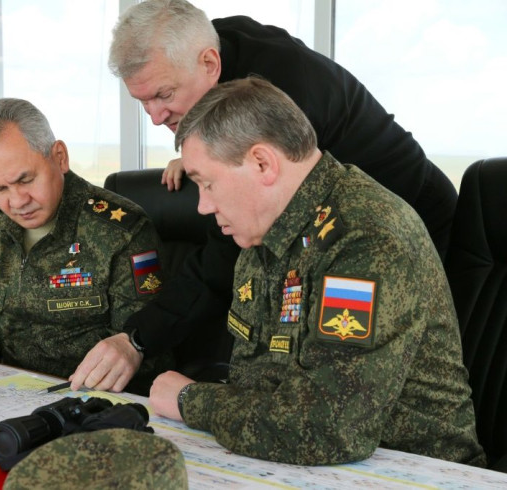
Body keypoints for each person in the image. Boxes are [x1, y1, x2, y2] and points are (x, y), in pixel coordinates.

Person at [70, 0, 459, 393]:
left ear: (209, 64)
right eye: (142, 102)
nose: (154, 117)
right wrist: (192, 156)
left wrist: (139, 341)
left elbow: (222, 258)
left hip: (409, 214)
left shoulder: (280, 98)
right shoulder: (201, 44)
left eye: (163, 94)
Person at [148, 76, 485, 466]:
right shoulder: (263, 234)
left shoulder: (364, 239)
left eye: (208, 184)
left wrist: (191, 400)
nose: (203, 206)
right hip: (302, 462)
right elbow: (257, 383)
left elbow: (328, 428)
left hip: (411, 470)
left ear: (262, 163)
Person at [0, 98, 172, 395]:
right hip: (6, 389)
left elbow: (145, 342)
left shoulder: (120, 232)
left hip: (95, 398)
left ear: (59, 157)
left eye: (26, 180)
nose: (16, 202)